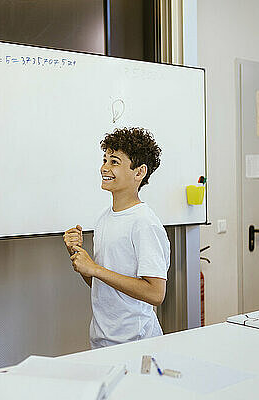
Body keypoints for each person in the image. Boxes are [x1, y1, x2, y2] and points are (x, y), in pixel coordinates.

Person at [63, 127, 170, 349]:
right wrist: (78, 256)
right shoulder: (104, 219)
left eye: (114, 162)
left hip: (136, 342)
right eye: (104, 160)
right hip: (102, 338)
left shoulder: (144, 222)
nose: (104, 168)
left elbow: (155, 293)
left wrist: (95, 268)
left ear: (139, 172)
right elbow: (100, 283)